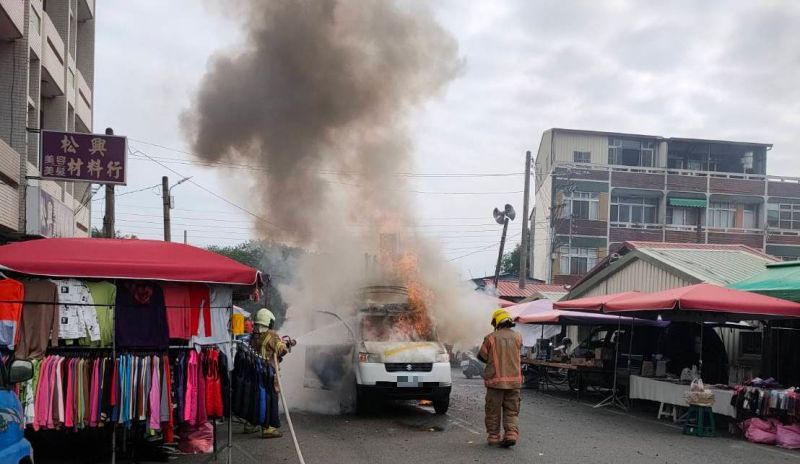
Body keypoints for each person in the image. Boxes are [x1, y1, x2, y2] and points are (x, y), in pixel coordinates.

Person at [478, 309, 523, 447]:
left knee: (493, 410)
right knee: (512, 410)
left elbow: (482, 356)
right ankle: (511, 434)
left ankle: (493, 436)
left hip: (495, 382)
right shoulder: (518, 337)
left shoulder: (490, 338)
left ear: (496, 322)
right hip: (514, 382)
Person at [245, 308, 289, 439]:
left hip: (255, 372)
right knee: (271, 399)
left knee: (256, 398)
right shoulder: (271, 335)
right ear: (269, 322)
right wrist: (287, 344)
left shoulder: (254, 335)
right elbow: (282, 350)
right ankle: (268, 428)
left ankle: (251, 424)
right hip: (269, 373)